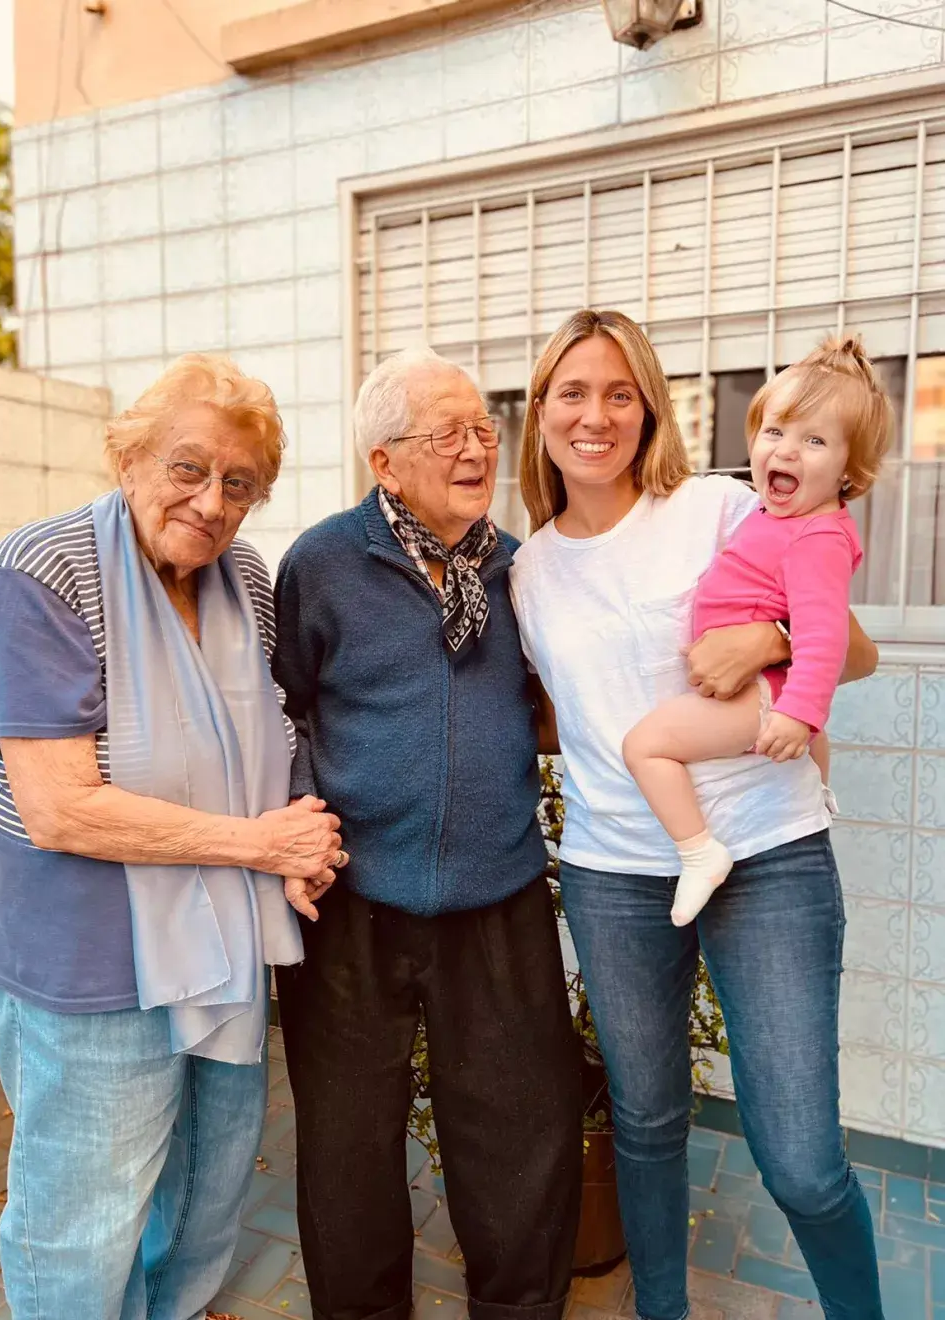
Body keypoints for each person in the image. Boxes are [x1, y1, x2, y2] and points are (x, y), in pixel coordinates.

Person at [509, 309, 884, 1320]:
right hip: (616, 872)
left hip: (766, 853)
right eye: (573, 393)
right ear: (540, 412)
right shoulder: (527, 571)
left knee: (802, 1160)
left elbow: (852, 653)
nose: (595, 416)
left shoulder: (720, 506)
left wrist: (769, 639)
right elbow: (562, 715)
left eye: (619, 394)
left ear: (649, 410)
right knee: (645, 1124)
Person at [0, 354, 344, 1320]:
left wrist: (301, 840)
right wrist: (262, 847)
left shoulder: (245, 578)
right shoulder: (40, 571)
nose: (212, 502)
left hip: (225, 942)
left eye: (240, 484)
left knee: (208, 1189)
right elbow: (60, 809)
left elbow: (276, 730)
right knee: (83, 1223)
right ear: (127, 456)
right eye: (188, 467)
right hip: (89, 961)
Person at [272, 347, 582, 1320]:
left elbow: (551, 700)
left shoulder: (519, 568)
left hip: (499, 891)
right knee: (347, 1139)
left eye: (483, 429)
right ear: (385, 461)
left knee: (519, 1128)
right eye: (446, 433)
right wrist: (301, 829)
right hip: (353, 896)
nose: (476, 449)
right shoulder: (323, 563)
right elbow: (288, 709)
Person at [622, 335, 892, 926]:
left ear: (850, 470)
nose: (787, 450)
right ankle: (817, 790)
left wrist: (798, 714)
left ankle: (699, 853)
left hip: (762, 696)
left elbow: (823, 636)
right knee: (802, 751)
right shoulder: (777, 516)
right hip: (762, 692)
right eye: (775, 431)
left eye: (815, 441)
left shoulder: (818, 537)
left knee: (644, 746)